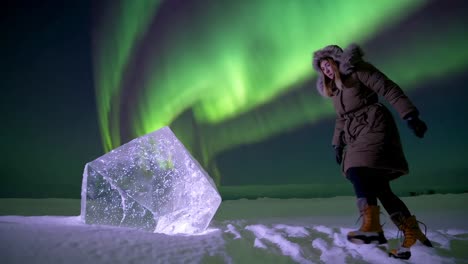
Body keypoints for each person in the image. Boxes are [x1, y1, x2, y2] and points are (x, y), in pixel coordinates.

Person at [312, 44, 433, 260]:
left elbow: (387, 88)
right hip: (355, 135)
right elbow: (341, 119)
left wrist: (409, 115)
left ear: (337, 61)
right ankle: (411, 233)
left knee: (357, 170)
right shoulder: (336, 91)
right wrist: (336, 143)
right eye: (323, 68)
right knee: (379, 188)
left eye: (328, 64)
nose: (327, 70)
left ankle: (372, 227)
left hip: (374, 124)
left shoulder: (358, 70)